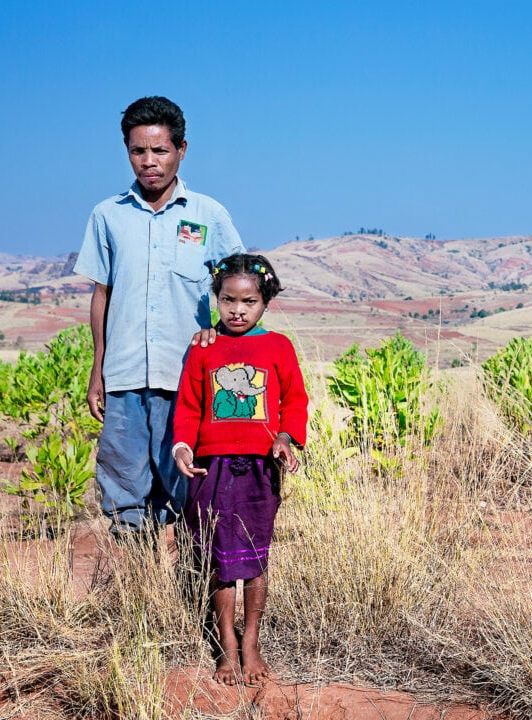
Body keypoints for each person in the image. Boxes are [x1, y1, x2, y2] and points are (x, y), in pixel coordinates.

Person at [73, 96, 244, 538]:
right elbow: (102, 293)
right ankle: (139, 595)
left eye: (160, 151)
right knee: (123, 493)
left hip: (188, 378)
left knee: (192, 489)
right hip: (125, 376)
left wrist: (224, 344)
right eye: (137, 151)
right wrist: (99, 370)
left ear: (182, 150)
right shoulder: (107, 215)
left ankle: (192, 594)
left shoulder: (209, 215)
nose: (149, 162)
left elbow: (240, 287)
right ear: (127, 151)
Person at [171, 253, 308, 685]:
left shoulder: (278, 346)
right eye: (227, 300)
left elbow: (295, 401)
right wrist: (181, 446)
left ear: (265, 301)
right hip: (212, 469)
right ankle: (226, 645)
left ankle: (251, 641)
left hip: (260, 469)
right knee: (219, 557)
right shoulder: (203, 348)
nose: (237, 310)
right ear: (217, 298)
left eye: (248, 302)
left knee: (253, 555)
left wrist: (286, 439)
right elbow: (189, 406)